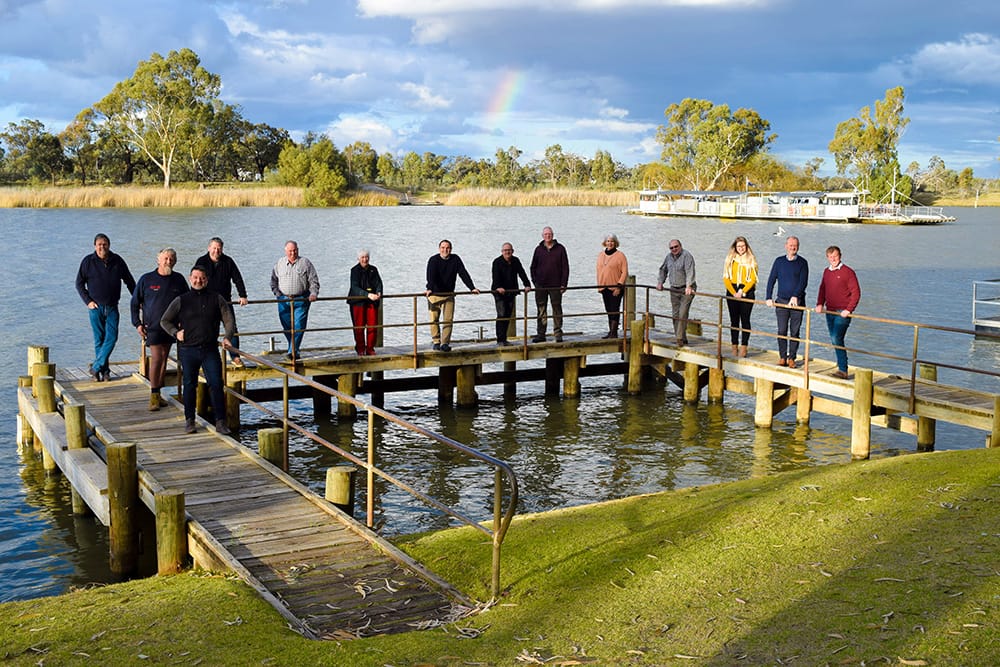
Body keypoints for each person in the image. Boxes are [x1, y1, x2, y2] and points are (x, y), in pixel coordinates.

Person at [160, 265, 237, 435]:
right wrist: (175, 333)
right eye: (195, 277)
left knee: (216, 384)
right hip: (188, 350)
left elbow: (229, 319)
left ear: (206, 280)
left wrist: (227, 337)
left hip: (210, 349)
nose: (198, 280)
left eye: (201, 278)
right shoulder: (182, 300)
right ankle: (190, 420)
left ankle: (221, 422)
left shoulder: (217, 298)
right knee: (189, 385)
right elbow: (165, 321)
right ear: (190, 279)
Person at [131, 248, 189, 411]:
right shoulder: (146, 279)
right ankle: (153, 396)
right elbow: (135, 303)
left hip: (171, 327)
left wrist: (184, 323)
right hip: (153, 326)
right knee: (157, 357)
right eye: (165, 258)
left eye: (171, 259)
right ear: (158, 260)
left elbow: (187, 302)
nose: (168, 261)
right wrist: (137, 323)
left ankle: (159, 394)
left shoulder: (179, 280)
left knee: (164, 358)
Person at [75, 233, 136, 382]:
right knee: (99, 340)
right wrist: (88, 301)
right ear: (95, 246)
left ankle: (96, 367)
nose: (102, 247)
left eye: (105, 244)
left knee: (112, 338)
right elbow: (79, 283)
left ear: (109, 245)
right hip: (95, 308)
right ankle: (105, 372)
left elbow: (129, 281)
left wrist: (137, 299)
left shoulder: (118, 261)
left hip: (112, 307)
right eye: (99, 244)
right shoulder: (88, 262)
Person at [195, 237, 248, 366]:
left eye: (219, 248)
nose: (216, 251)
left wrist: (242, 295)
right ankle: (204, 356)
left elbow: (237, 278)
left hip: (225, 301)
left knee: (232, 328)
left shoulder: (228, 261)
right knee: (205, 329)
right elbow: (195, 279)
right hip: (206, 301)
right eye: (214, 248)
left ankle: (235, 356)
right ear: (209, 248)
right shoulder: (201, 261)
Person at [815, 245, 861, 379]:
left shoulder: (848, 272)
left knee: (836, 338)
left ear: (840, 256)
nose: (833, 259)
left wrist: (849, 309)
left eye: (835, 256)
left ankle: (843, 369)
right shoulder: (826, 272)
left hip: (843, 311)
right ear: (827, 258)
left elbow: (856, 293)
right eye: (830, 257)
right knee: (834, 339)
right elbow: (822, 289)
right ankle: (842, 368)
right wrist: (819, 303)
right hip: (830, 310)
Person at [424, 239, 479, 352]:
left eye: (447, 248)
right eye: (443, 248)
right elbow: (431, 275)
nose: (445, 250)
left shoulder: (455, 259)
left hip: (449, 295)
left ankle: (445, 343)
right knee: (433, 320)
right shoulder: (433, 260)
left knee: (448, 320)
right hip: (434, 294)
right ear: (439, 249)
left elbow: (463, 273)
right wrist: (429, 288)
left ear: (451, 249)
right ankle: (436, 341)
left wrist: (472, 288)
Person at [270, 240, 320, 360]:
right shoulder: (279, 263)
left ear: (298, 249)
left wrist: (313, 293)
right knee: (286, 327)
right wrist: (278, 294)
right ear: (285, 251)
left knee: (299, 326)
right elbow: (273, 281)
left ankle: (291, 352)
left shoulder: (305, 263)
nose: (293, 253)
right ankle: (294, 350)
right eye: (290, 251)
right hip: (283, 300)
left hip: (301, 299)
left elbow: (314, 281)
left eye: (295, 250)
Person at [765, 236, 809, 368]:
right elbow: (771, 279)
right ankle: (782, 357)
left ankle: (792, 358)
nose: (792, 247)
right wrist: (768, 297)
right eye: (790, 245)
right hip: (782, 302)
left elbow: (803, 282)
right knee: (782, 330)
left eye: (795, 245)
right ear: (786, 246)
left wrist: (795, 296)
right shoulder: (779, 261)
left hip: (797, 303)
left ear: (798, 247)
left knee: (795, 332)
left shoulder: (803, 263)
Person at [530, 226, 570, 342]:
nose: (548, 236)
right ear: (542, 236)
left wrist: (564, 284)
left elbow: (565, 268)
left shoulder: (560, 249)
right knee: (541, 309)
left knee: (557, 309)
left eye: (550, 234)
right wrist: (535, 282)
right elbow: (533, 267)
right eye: (546, 234)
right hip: (541, 286)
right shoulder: (538, 249)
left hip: (556, 285)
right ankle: (541, 334)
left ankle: (557, 333)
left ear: (553, 235)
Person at [656, 239, 697, 345]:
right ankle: (682, 338)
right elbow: (663, 269)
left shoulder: (687, 256)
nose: (674, 249)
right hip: (673, 289)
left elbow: (690, 272)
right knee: (675, 314)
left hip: (686, 289)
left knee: (682, 313)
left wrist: (689, 286)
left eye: (676, 246)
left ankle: (679, 339)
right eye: (672, 248)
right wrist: (660, 282)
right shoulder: (668, 257)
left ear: (680, 246)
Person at [723, 236, 758, 357]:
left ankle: (744, 347)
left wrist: (742, 292)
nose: (741, 248)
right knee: (734, 320)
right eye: (738, 246)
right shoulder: (730, 259)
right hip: (732, 290)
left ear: (746, 247)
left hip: (746, 291)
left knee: (745, 320)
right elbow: (726, 278)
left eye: (743, 246)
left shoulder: (751, 260)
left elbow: (753, 279)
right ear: (735, 247)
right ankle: (734, 346)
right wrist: (734, 292)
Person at [490, 242, 531, 346]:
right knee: (502, 314)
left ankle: (504, 338)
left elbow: (522, 273)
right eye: (505, 250)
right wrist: (498, 287)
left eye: (509, 250)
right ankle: (500, 339)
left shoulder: (516, 261)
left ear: (512, 251)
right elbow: (495, 276)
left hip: (511, 292)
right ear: (502, 252)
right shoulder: (497, 262)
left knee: (508, 315)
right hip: (499, 292)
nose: (507, 252)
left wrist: (527, 284)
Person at [347, 249, 383, 356]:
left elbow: (378, 283)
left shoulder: (373, 269)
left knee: (372, 326)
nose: (365, 259)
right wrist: (368, 295)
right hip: (358, 302)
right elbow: (354, 287)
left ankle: (370, 348)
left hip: (372, 302)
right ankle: (360, 348)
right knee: (359, 327)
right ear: (358, 259)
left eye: (366, 257)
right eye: (362, 257)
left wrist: (379, 292)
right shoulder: (354, 270)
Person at [595, 233, 628, 339]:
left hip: (616, 287)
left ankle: (614, 333)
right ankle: (610, 331)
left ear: (615, 243)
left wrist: (619, 286)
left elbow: (625, 272)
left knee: (614, 309)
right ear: (605, 243)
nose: (610, 243)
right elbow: (599, 270)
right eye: (608, 241)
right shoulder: (601, 255)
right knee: (608, 310)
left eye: (612, 241)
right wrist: (599, 286)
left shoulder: (620, 255)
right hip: (604, 287)